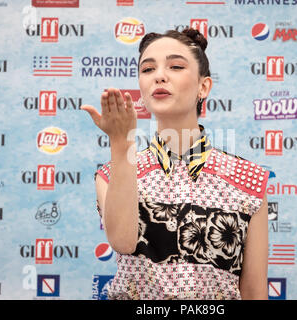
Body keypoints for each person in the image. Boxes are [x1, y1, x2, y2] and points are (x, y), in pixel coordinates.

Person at [81, 28, 269, 300]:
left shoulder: (248, 179)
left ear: (203, 86)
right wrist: (121, 143)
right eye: (147, 69)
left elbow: (253, 291)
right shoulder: (112, 172)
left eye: (176, 66)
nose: (159, 75)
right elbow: (123, 241)